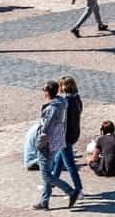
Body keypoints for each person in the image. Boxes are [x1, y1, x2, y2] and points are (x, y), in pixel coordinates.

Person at [34, 80, 81, 210]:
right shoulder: (61, 103)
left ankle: (71, 191)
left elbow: (46, 129)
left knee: (46, 175)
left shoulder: (52, 108)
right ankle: (44, 201)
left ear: (48, 92)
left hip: (47, 144)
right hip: (55, 142)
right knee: (48, 172)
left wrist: (39, 143)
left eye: (44, 89)